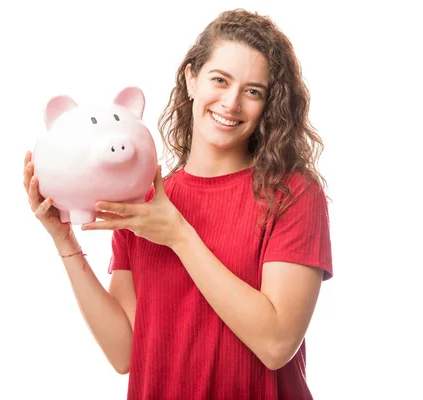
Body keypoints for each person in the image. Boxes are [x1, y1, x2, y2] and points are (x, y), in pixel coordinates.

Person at [23, 8, 333, 400]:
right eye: (219, 80)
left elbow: (276, 344)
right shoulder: (145, 203)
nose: (231, 103)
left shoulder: (292, 194)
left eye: (253, 91)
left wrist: (180, 237)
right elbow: (123, 351)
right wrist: (64, 240)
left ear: (268, 104)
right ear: (191, 78)